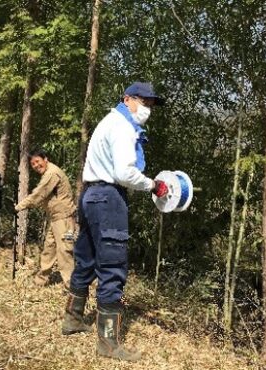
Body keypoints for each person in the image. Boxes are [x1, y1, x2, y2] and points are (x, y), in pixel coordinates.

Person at [61, 82, 168, 362]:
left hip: (90, 195)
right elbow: (123, 172)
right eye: (144, 102)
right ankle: (108, 343)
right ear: (127, 99)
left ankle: (72, 319)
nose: (147, 108)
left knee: (85, 259)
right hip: (109, 197)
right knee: (112, 266)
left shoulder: (108, 121)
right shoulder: (121, 126)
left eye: (151, 104)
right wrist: (153, 185)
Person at [15, 149, 76, 289]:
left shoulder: (51, 173)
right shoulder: (48, 172)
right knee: (49, 249)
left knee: (65, 251)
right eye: (33, 164)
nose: (36, 165)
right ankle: (40, 281)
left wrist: (19, 207)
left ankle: (72, 286)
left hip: (64, 219)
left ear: (45, 159)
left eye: (37, 161)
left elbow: (39, 194)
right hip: (56, 219)